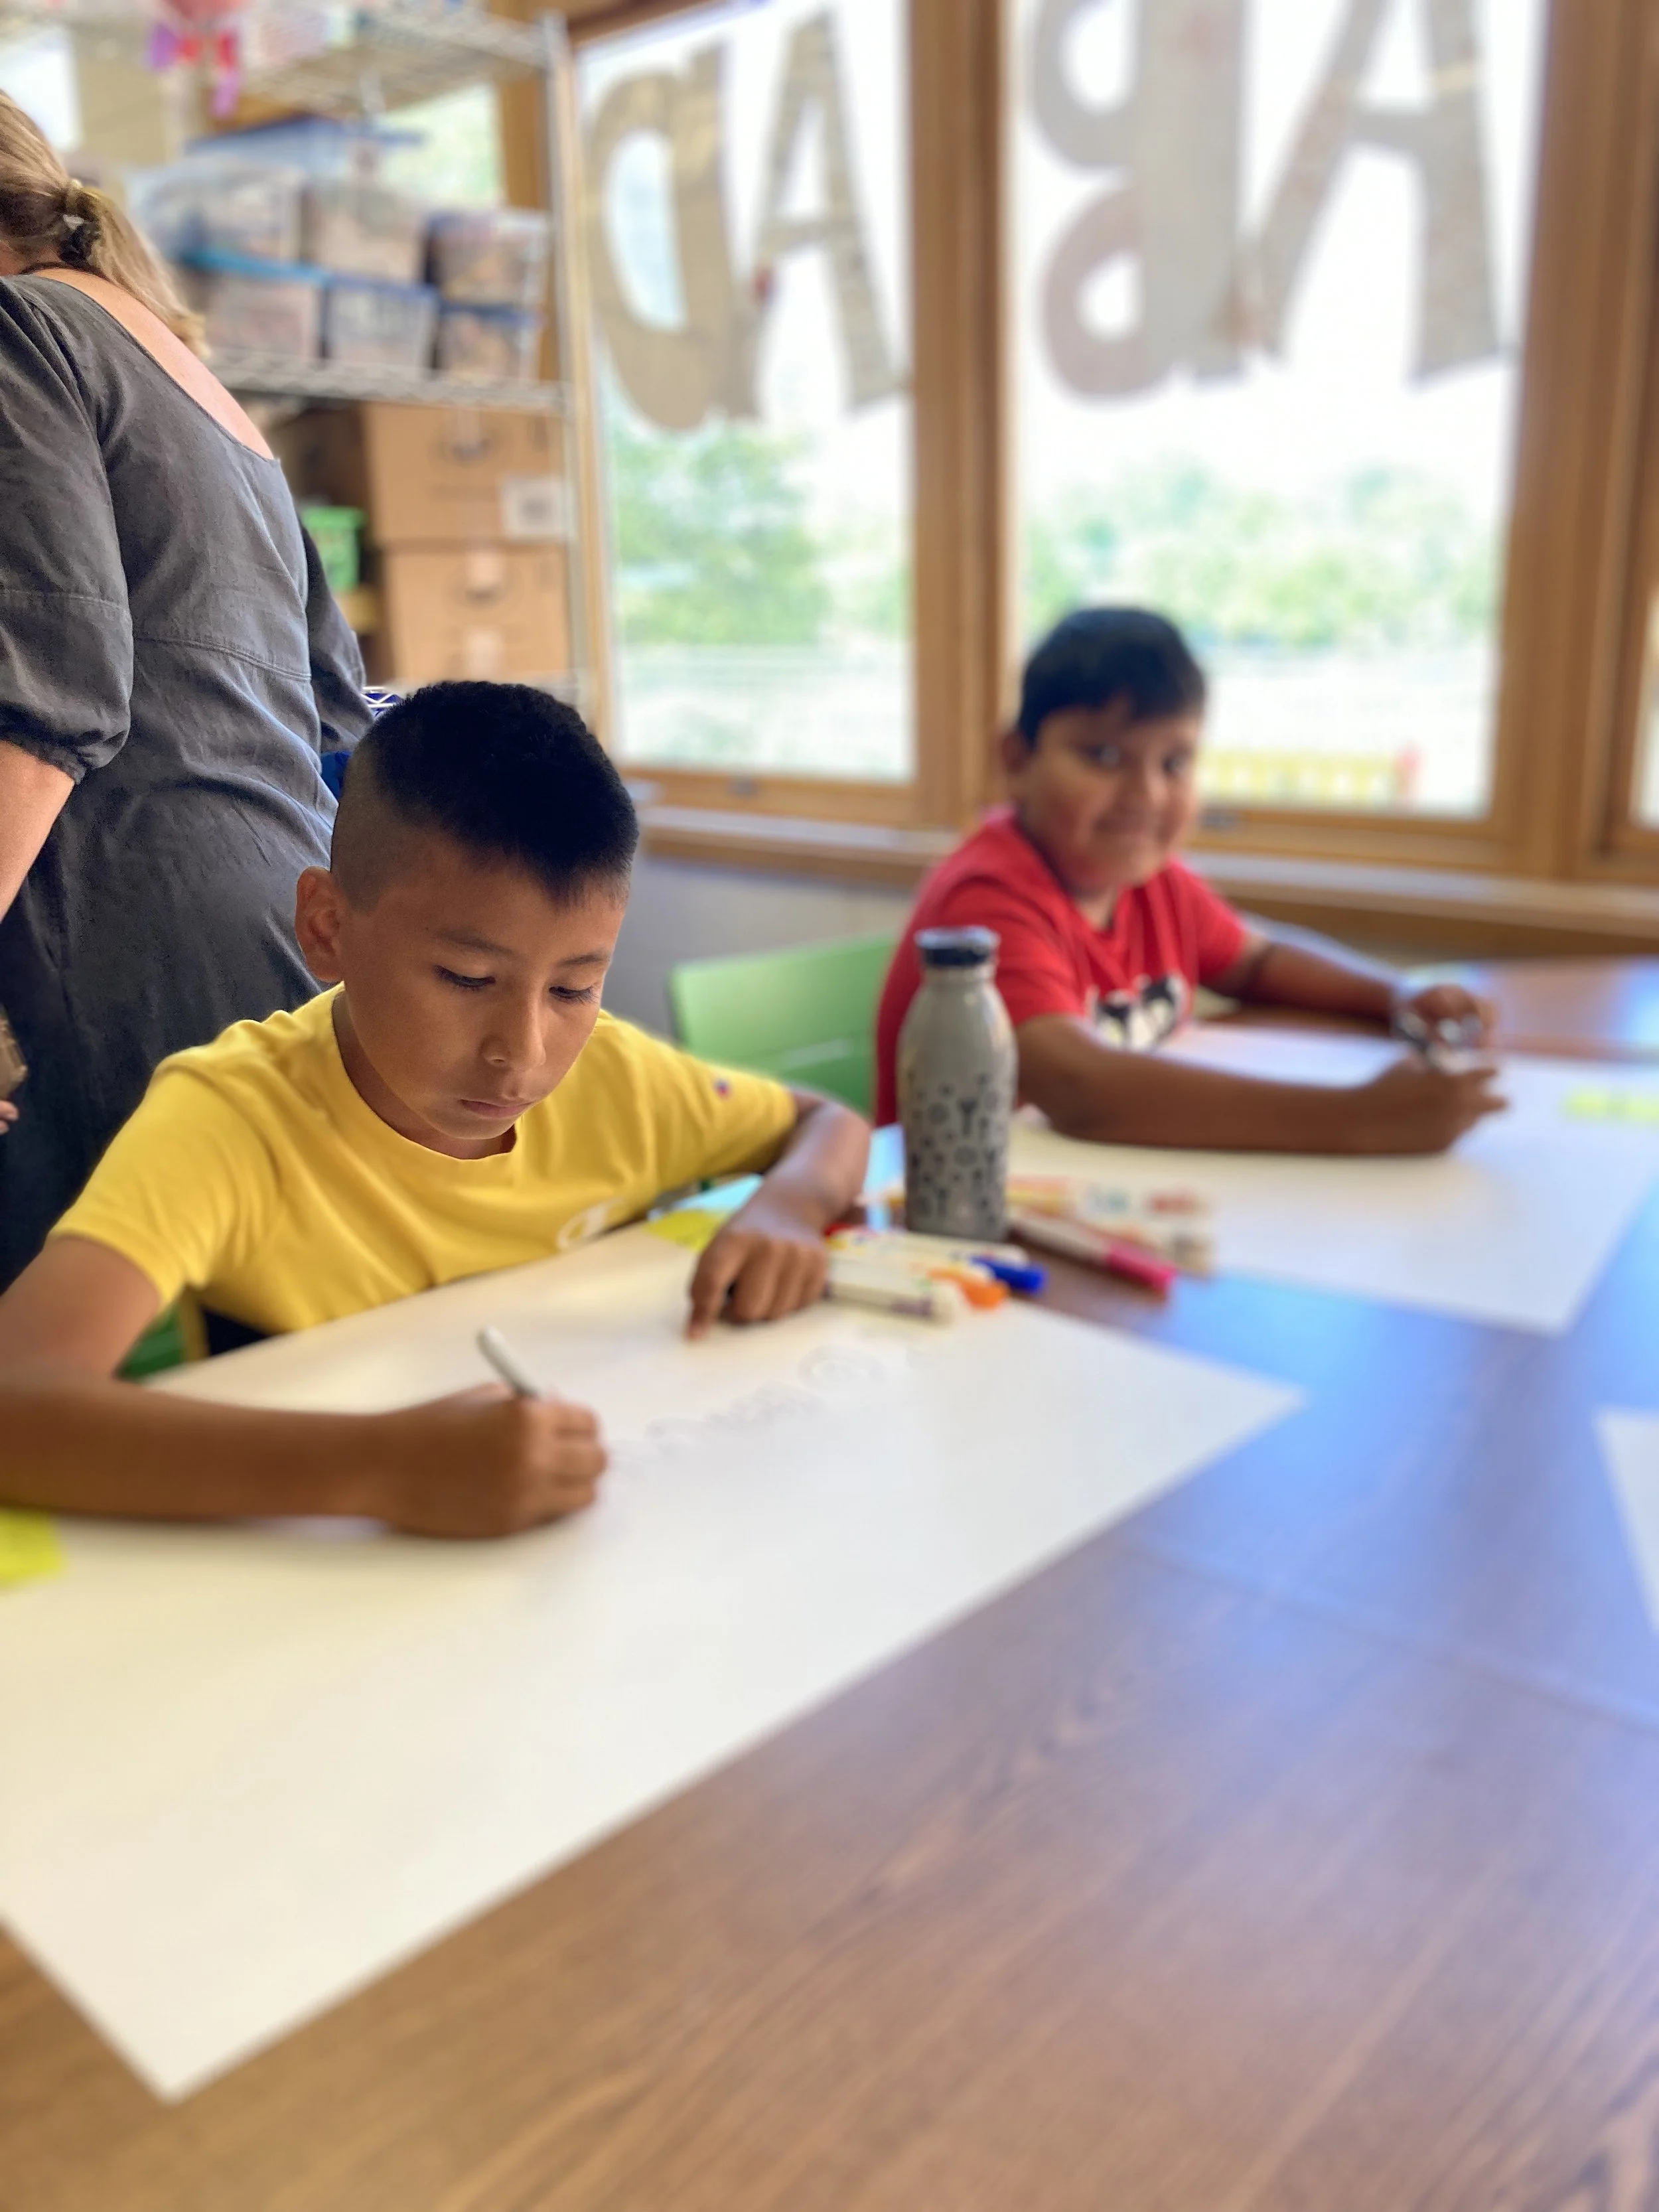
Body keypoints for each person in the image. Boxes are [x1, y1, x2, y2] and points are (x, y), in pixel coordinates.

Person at [0, 682, 871, 1538]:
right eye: (466, 978)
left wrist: (790, 1207)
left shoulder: (615, 1079)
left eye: (573, 988)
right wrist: (381, 1469)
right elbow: (15, 1403)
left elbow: (826, 1123)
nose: (522, 1052)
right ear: (327, 927)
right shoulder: (233, 1119)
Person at [0, 93, 371, 1284]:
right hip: (285, 935)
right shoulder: (200, 383)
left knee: (75, 1362)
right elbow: (335, 708)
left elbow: (49, 699)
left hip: (125, 945)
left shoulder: (20, 331)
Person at [875, 607, 1505, 1152]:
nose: (1146, 794)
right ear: (1017, 760)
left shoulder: (1156, 884)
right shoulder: (987, 899)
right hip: (973, 1215)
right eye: (1103, 756)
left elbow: (1258, 961)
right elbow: (1081, 1087)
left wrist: (1397, 995)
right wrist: (1358, 1119)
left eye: (1174, 762)